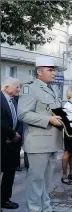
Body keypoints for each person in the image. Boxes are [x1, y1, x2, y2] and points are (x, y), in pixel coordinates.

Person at [18, 56, 63, 211]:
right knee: (36, 181)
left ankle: (46, 207)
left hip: (52, 141)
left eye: (54, 70)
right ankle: (34, 209)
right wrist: (48, 119)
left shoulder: (53, 89)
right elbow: (23, 114)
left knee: (47, 181)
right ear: (39, 72)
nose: (53, 73)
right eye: (50, 70)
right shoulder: (29, 88)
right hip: (37, 142)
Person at [1, 77, 21, 210]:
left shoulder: (14, 101)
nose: (19, 89)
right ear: (7, 88)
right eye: (17, 87)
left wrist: (17, 135)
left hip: (12, 145)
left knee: (9, 174)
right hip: (2, 142)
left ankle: (5, 200)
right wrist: (12, 134)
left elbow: (18, 120)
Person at [61, 86, 72, 185]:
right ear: (70, 93)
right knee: (67, 154)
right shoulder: (68, 105)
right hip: (69, 132)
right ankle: (64, 175)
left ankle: (71, 173)